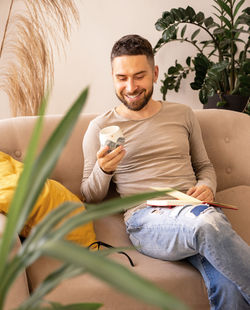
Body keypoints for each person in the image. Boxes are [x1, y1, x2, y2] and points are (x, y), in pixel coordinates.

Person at [81, 34, 250, 309]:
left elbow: (204, 167)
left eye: (139, 76)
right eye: (122, 78)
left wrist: (208, 186)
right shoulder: (100, 128)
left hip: (196, 208)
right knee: (206, 225)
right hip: (148, 219)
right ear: (112, 76)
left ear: (155, 73)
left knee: (228, 286)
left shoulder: (182, 114)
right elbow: (89, 196)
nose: (131, 87)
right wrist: (103, 169)